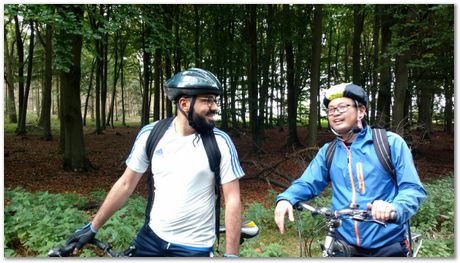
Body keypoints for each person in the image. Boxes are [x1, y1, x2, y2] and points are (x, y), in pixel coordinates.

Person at [65, 68, 244, 257]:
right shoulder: (152, 134)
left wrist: (231, 256)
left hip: (194, 248)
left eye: (214, 100)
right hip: (150, 238)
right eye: (207, 100)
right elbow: (125, 185)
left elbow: (233, 200)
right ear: (184, 104)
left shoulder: (220, 142)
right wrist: (92, 228)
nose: (214, 107)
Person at [274, 83, 427, 257]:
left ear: (361, 111)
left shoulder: (390, 143)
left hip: (387, 245)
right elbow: (308, 182)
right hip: (343, 245)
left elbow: (413, 189)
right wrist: (287, 198)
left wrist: (394, 207)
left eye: (342, 107)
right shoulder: (328, 151)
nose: (335, 113)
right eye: (331, 110)